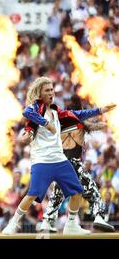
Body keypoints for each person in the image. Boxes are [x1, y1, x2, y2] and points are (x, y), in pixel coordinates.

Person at [3, 76, 115, 235]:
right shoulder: (36, 110)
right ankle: (14, 222)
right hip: (42, 161)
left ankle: (71, 225)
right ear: (39, 93)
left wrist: (99, 110)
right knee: (33, 194)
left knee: (77, 191)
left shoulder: (56, 111)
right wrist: (45, 124)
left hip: (60, 160)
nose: (51, 93)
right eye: (47, 90)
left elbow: (77, 114)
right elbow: (26, 112)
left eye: (52, 89)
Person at [27, 95, 114, 232]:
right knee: (92, 191)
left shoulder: (58, 126)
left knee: (57, 195)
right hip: (74, 163)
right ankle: (99, 217)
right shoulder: (81, 125)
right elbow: (96, 126)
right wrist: (107, 123)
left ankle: (47, 222)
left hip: (60, 164)